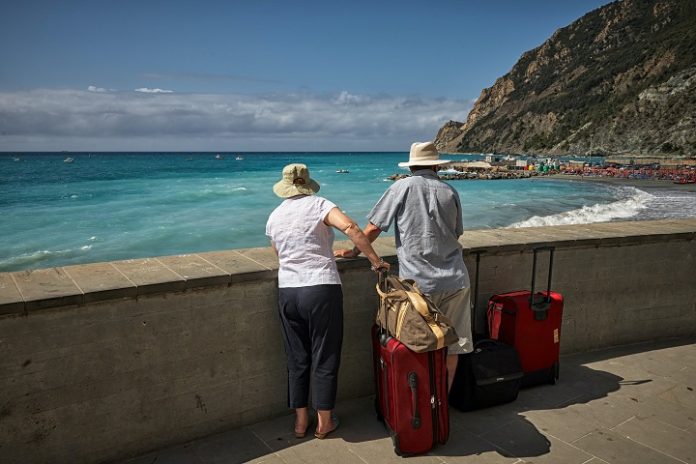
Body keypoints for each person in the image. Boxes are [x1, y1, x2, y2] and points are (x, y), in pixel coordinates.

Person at [335, 141, 473, 392]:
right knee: (455, 345)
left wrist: (354, 251)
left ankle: (421, 406)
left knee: (418, 344)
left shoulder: (401, 187)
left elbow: (374, 227)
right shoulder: (449, 190)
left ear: (411, 166)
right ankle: (442, 404)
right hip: (456, 279)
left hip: (418, 285)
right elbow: (457, 233)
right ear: (435, 165)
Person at [266, 163, 390, 440]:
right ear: (307, 183)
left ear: (285, 187)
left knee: (297, 358)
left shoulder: (274, 216)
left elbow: (279, 252)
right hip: (320, 288)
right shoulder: (320, 205)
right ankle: (324, 422)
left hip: (288, 290)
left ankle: (300, 422)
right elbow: (351, 227)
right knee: (325, 355)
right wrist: (375, 261)